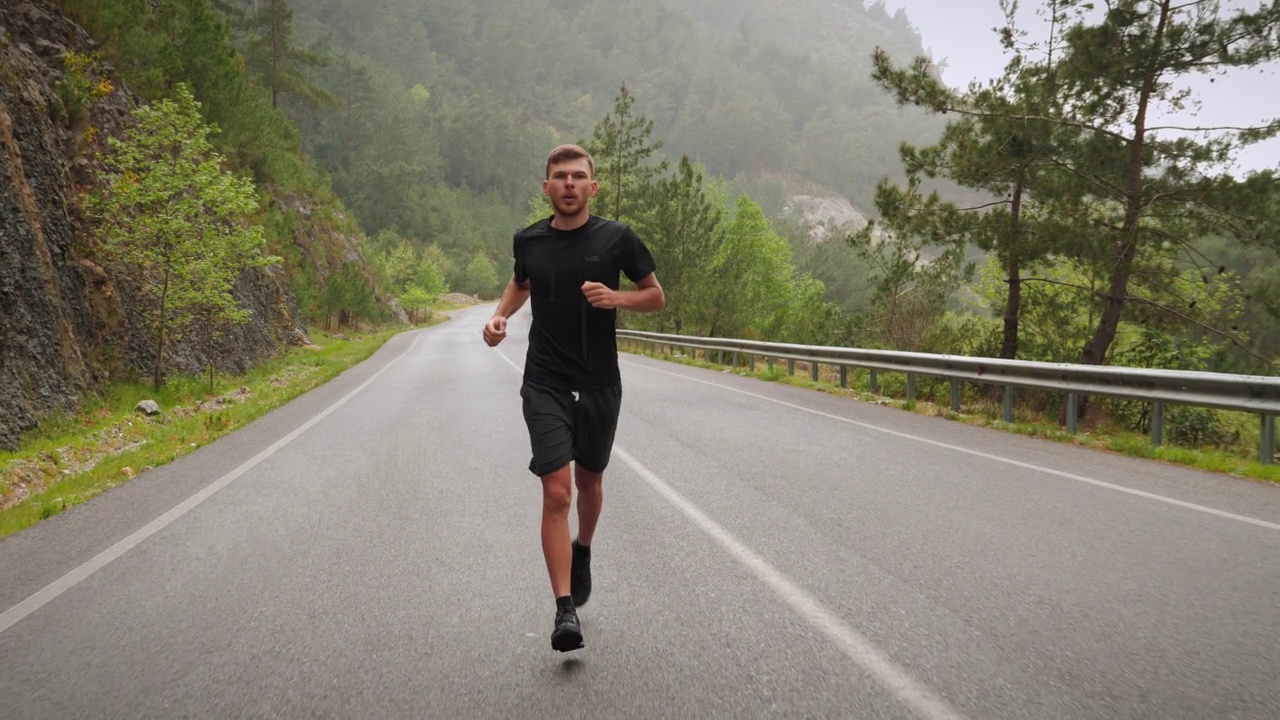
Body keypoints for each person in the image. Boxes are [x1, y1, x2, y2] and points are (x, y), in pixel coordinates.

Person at [483, 144, 665, 652]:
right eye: (559, 177)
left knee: (590, 481)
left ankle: (582, 549)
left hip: (600, 382)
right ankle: (565, 611)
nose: (568, 184)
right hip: (544, 381)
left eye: (578, 176)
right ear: (546, 187)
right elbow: (521, 282)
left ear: (592, 187)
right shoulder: (529, 240)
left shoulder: (617, 239)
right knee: (557, 492)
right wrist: (500, 317)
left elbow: (656, 295)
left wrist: (618, 298)